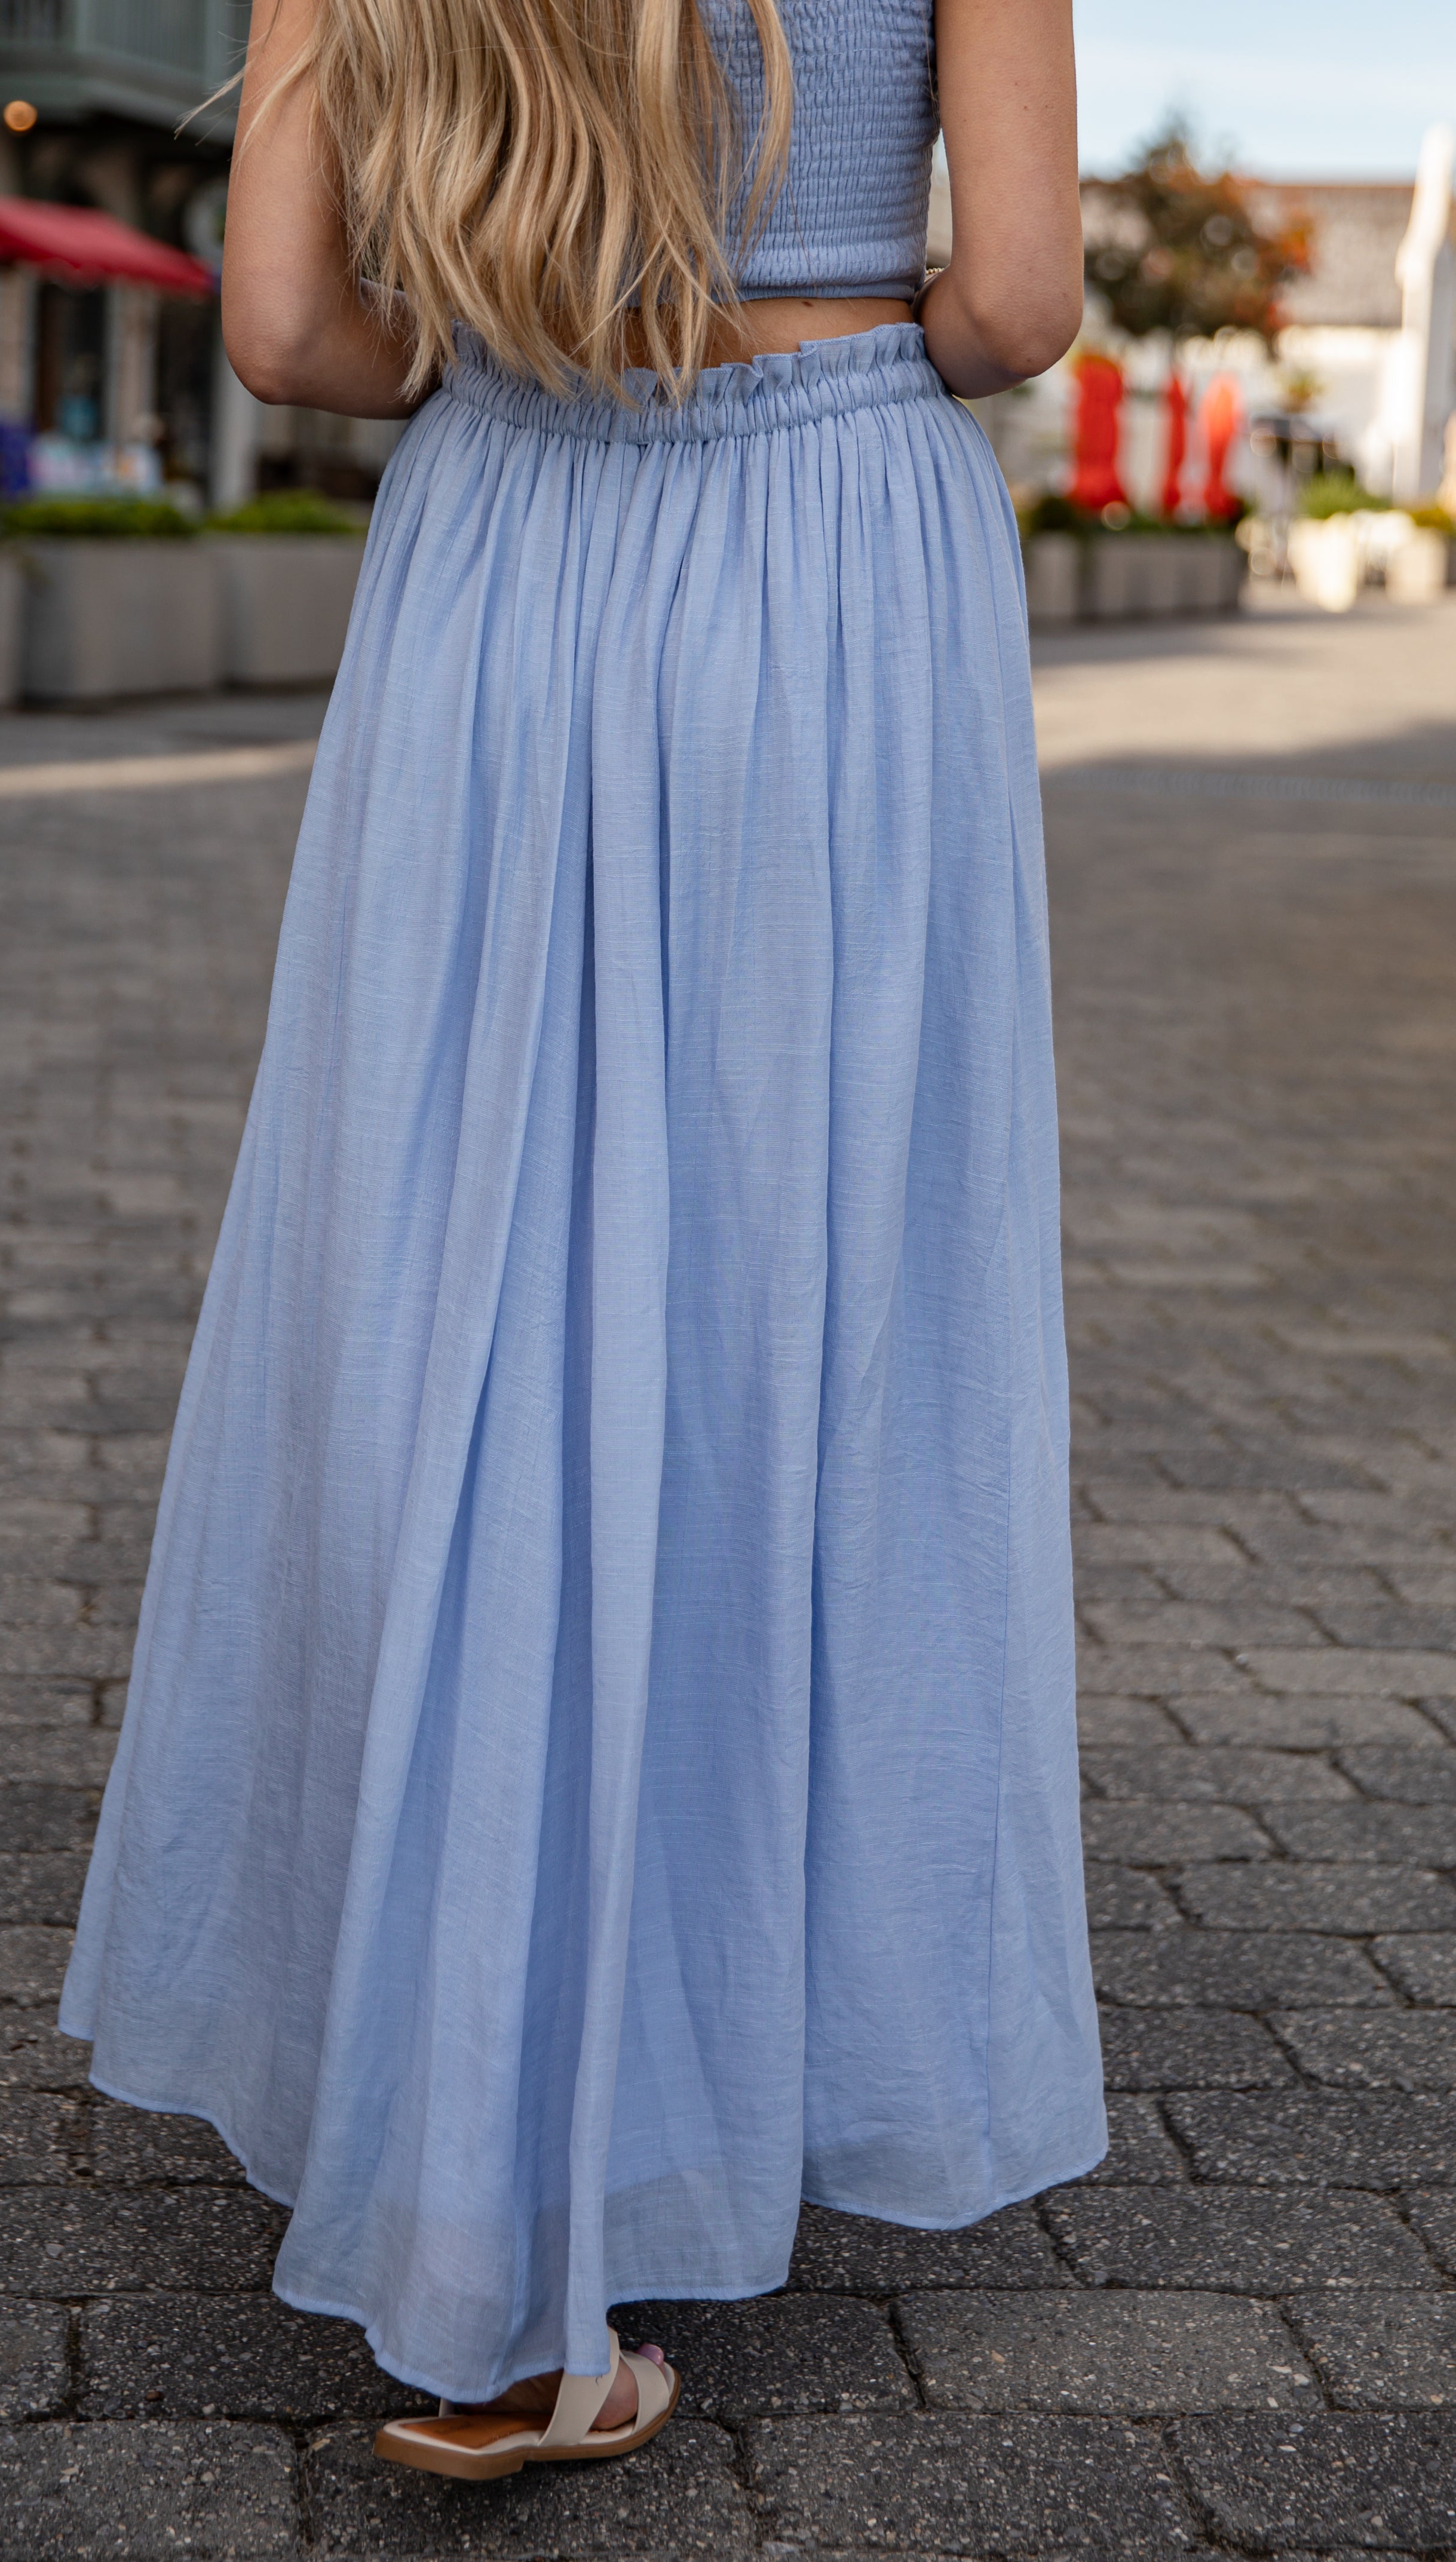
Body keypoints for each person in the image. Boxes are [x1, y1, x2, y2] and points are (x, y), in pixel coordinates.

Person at [59, 0, 1106, 2482]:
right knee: (783, 1339)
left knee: (462, 1323)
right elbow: (1021, 296)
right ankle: (673, 2087)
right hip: (838, 561)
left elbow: (299, 333)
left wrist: (546, 325)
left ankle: (478, 2233)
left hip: (506, 546)